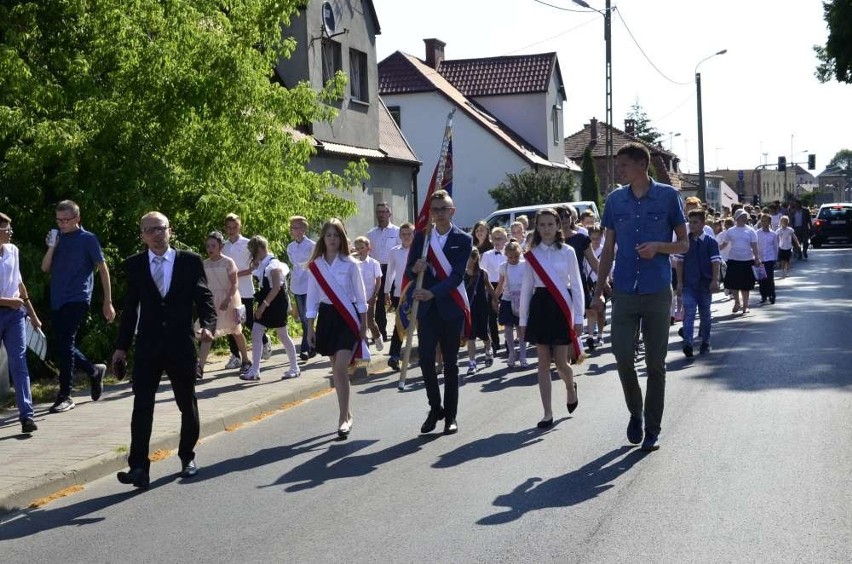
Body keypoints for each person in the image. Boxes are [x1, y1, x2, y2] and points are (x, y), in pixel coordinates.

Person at [591, 143, 688, 452]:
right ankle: (636, 411)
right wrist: (597, 292)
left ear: (641, 165)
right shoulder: (614, 200)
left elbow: (684, 244)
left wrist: (659, 247)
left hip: (657, 289)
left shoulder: (668, 196)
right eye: (618, 166)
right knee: (622, 357)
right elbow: (607, 249)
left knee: (656, 364)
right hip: (624, 291)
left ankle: (653, 427)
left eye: (623, 165)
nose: (618, 170)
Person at [112, 212, 216, 489]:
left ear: (170, 231)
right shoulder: (134, 265)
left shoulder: (190, 261)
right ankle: (138, 468)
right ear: (142, 235)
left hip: (181, 344)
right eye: (150, 230)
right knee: (142, 406)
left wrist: (208, 325)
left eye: (161, 228)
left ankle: (187, 456)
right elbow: (130, 309)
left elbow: (204, 298)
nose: (156, 234)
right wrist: (121, 348)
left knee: (186, 402)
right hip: (147, 347)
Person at [406, 189, 472, 435]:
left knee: (451, 364)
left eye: (443, 209)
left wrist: (433, 292)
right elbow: (409, 273)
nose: (439, 213)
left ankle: (451, 417)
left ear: (452, 211)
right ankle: (435, 408)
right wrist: (416, 267)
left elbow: (456, 277)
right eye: (435, 209)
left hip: (450, 307)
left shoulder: (463, 240)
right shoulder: (422, 238)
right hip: (427, 310)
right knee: (425, 360)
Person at [41, 200, 114, 413]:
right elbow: (45, 267)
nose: (62, 224)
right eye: (59, 220)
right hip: (58, 299)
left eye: (66, 220)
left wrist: (107, 301)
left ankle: (65, 395)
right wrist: (52, 246)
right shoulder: (58, 239)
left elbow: (102, 268)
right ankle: (93, 371)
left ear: (77, 219)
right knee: (63, 344)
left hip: (78, 297)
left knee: (66, 342)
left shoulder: (88, 239)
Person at [519, 208, 584, 429]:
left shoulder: (568, 252)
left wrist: (579, 317)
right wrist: (523, 321)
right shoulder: (531, 254)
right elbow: (527, 288)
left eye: (550, 224)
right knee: (543, 362)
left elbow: (576, 285)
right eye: (542, 225)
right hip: (540, 306)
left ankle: (569, 386)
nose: (546, 229)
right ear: (536, 228)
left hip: (561, 307)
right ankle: (547, 412)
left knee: (561, 363)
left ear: (558, 226)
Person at [306, 219, 367, 439]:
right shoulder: (316, 265)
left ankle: (343, 419)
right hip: (327, 317)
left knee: (341, 366)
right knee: (336, 368)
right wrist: (309, 327)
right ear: (323, 238)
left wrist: (364, 323)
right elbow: (312, 297)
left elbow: (360, 296)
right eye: (328, 235)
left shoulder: (350, 263)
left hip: (347, 317)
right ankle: (347, 412)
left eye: (336, 235)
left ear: (342, 238)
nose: (332, 239)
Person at [1, 212, 42, 433]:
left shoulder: (13, 251)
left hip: (15, 315)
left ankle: (27, 416)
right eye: (6, 229)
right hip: (8, 307)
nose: (9, 233)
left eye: (10, 229)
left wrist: (33, 315)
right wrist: (10, 301)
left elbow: (20, 283)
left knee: (19, 362)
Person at [239, 236, 299, 381]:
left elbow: (277, 288)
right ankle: (255, 371)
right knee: (256, 332)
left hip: (275, 304)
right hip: (270, 302)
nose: (251, 254)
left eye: (253, 251)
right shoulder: (264, 264)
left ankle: (294, 368)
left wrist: (262, 307)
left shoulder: (274, 266)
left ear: (259, 249)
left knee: (282, 335)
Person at [197, 231, 250, 379]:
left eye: (213, 245)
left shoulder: (228, 262)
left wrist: (227, 299)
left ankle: (245, 360)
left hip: (230, 299)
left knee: (236, 331)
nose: (210, 248)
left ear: (220, 246)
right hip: (212, 300)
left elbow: (234, 283)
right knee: (208, 332)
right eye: (208, 246)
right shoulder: (204, 264)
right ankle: (200, 367)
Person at [223, 213, 271, 368]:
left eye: (234, 227)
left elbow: (255, 266)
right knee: (231, 323)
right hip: (230, 290)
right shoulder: (224, 246)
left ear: (240, 226)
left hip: (245, 289)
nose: (231, 230)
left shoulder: (247, 244)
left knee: (248, 320)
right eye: (229, 227)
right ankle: (235, 355)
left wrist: (237, 274)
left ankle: (264, 340)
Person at [673, 209, 721, 357]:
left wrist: (715, 280)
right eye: (690, 222)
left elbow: (715, 262)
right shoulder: (684, 241)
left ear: (703, 223)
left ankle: (705, 341)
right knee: (689, 313)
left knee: (705, 315)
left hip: (705, 285)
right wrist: (680, 283)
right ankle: (688, 342)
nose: (692, 225)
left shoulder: (710, 242)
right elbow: (679, 263)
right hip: (689, 284)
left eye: (695, 222)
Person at [558, 205, 599, 351]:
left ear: (572, 218)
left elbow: (593, 261)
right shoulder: (551, 241)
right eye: (560, 217)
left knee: (582, 313)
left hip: (578, 282)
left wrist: (604, 281)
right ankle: (567, 349)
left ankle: (581, 341)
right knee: (563, 319)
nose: (564, 220)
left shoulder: (581, 238)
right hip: (558, 284)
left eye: (566, 216)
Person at [366, 202, 400, 343]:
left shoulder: (397, 231)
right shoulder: (371, 234)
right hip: (378, 270)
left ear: (389, 213)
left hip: (393, 269)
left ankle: (399, 332)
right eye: (378, 212)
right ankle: (382, 333)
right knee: (379, 304)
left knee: (398, 302)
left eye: (384, 212)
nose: (381, 215)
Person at [718, 209, 760, 314]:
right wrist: (714, 249)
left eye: (746, 216)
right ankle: (737, 303)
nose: (745, 218)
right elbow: (724, 244)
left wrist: (757, 258)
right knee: (734, 284)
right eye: (742, 216)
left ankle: (745, 306)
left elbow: (754, 246)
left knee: (746, 285)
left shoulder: (751, 231)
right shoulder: (731, 231)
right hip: (733, 260)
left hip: (747, 260)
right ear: (737, 218)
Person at [492, 241, 527, 367]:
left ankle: (523, 355)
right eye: (510, 257)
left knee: (521, 328)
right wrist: (495, 298)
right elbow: (500, 284)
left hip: (522, 299)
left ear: (520, 254)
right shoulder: (503, 267)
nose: (513, 259)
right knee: (507, 328)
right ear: (506, 255)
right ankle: (512, 353)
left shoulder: (525, 265)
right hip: (507, 299)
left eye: (516, 256)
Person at [384, 222, 414, 371]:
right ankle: (394, 356)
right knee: (399, 324)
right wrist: (386, 291)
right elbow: (390, 272)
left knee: (421, 323)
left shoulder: (419, 250)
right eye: (404, 234)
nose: (407, 237)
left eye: (409, 234)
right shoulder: (395, 251)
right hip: (399, 294)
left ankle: (426, 354)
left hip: (417, 293)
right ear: (399, 236)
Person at [286, 216, 316, 361]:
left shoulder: (311, 245)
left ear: (304, 229)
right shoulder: (290, 247)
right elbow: (293, 263)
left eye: (297, 228)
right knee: (303, 317)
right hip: (297, 284)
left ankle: (306, 347)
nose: (294, 231)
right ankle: (313, 344)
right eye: (292, 228)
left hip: (310, 283)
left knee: (307, 317)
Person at [463, 248, 494, 376]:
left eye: (469, 257)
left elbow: (490, 288)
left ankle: (489, 349)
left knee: (484, 334)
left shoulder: (482, 273)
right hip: (469, 309)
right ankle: (472, 363)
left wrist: (496, 300)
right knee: (471, 336)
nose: (467, 260)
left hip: (481, 307)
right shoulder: (461, 274)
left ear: (475, 259)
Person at [480, 226, 508, 355]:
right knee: (492, 316)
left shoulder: (509, 253)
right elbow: (482, 272)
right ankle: (495, 342)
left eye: (500, 238)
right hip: (491, 286)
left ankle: (508, 342)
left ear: (505, 239)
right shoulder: (487, 255)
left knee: (507, 315)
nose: (497, 241)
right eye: (495, 238)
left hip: (507, 285)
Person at [353, 236, 384, 351]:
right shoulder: (354, 263)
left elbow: (378, 281)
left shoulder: (374, 263)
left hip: (370, 296)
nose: (360, 250)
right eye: (357, 248)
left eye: (362, 247)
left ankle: (377, 337)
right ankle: (363, 346)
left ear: (368, 248)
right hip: (358, 297)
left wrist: (375, 295)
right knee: (360, 323)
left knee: (370, 321)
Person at [756, 213, 779, 305]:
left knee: (769, 278)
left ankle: (772, 295)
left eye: (765, 221)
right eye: (762, 221)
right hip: (760, 258)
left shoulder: (773, 234)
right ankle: (763, 295)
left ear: (769, 222)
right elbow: (755, 246)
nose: (763, 222)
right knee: (762, 279)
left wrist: (776, 259)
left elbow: (775, 247)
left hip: (769, 258)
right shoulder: (757, 233)